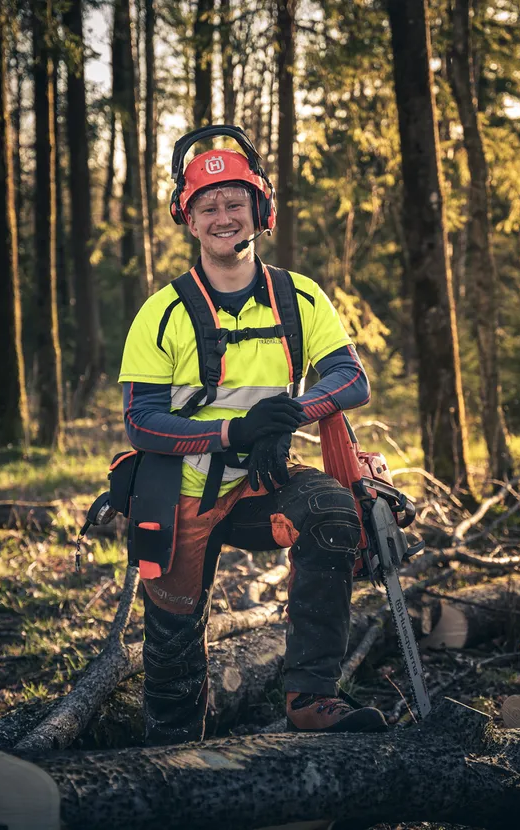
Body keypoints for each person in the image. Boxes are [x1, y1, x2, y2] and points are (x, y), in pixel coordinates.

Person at [118, 126, 387, 745]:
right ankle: (174, 748)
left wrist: (289, 415)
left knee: (332, 514)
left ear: (260, 211)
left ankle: (312, 697)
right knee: (173, 642)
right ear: (188, 219)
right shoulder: (161, 313)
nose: (223, 216)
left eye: (235, 202)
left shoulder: (298, 297)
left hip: (264, 485)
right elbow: (141, 421)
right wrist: (234, 430)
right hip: (183, 493)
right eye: (208, 205)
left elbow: (351, 379)